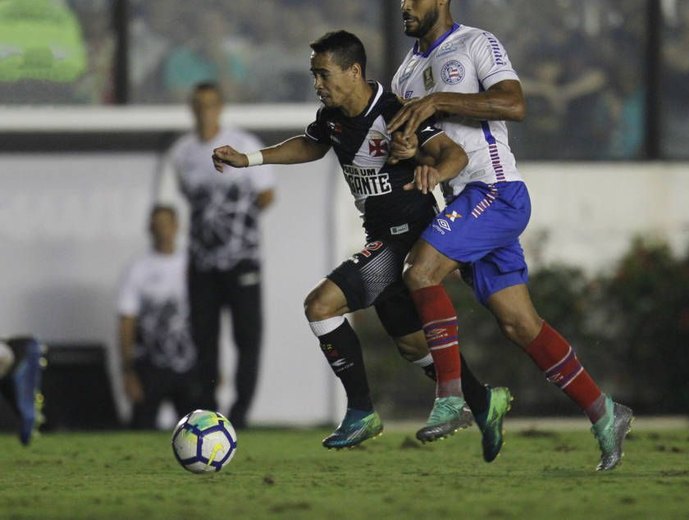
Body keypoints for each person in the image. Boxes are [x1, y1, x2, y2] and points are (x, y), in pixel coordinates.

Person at [212, 30, 505, 451]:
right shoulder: (332, 118)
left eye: (324, 74)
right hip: (381, 236)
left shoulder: (394, 112)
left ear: (354, 71)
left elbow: (454, 155)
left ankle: (361, 411)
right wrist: (250, 160)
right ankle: (483, 401)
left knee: (320, 305)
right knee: (411, 345)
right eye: (314, 74)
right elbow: (312, 145)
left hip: (405, 240)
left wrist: (432, 173)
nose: (317, 83)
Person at [386, 0, 633, 471]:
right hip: (465, 203)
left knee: (420, 273)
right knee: (520, 324)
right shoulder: (404, 77)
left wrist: (439, 100)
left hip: (495, 191)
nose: (404, 6)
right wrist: (407, 151)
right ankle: (605, 412)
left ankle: (452, 399)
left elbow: (514, 103)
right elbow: (429, 148)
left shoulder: (477, 43)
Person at [156, 82, 276, 428]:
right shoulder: (182, 153)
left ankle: (240, 413)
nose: (203, 111)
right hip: (202, 263)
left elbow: (267, 194)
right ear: (190, 108)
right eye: (197, 105)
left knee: (247, 338)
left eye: (209, 104)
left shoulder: (244, 144)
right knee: (204, 339)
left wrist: (236, 221)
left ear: (220, 107)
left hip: (243, 260)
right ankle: (207, 409)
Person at [117, 205, 199, 429]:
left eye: (167, 223)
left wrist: (214, 362)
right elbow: (126, 321)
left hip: (190, 363)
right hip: (150, 366)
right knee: (141, 428)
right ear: (150, 228)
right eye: (157, 224)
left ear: (177, 226)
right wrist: (127, 371)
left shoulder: (194, 265)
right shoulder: (137, 269)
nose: (163, 230)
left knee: (200, 427)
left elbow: (208, 318)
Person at [0, 336, 45, 445]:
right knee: (24, 401)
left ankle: (28, 425)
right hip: (12, 352)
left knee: (24, 402)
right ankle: (28, 426)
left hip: (15, 352)